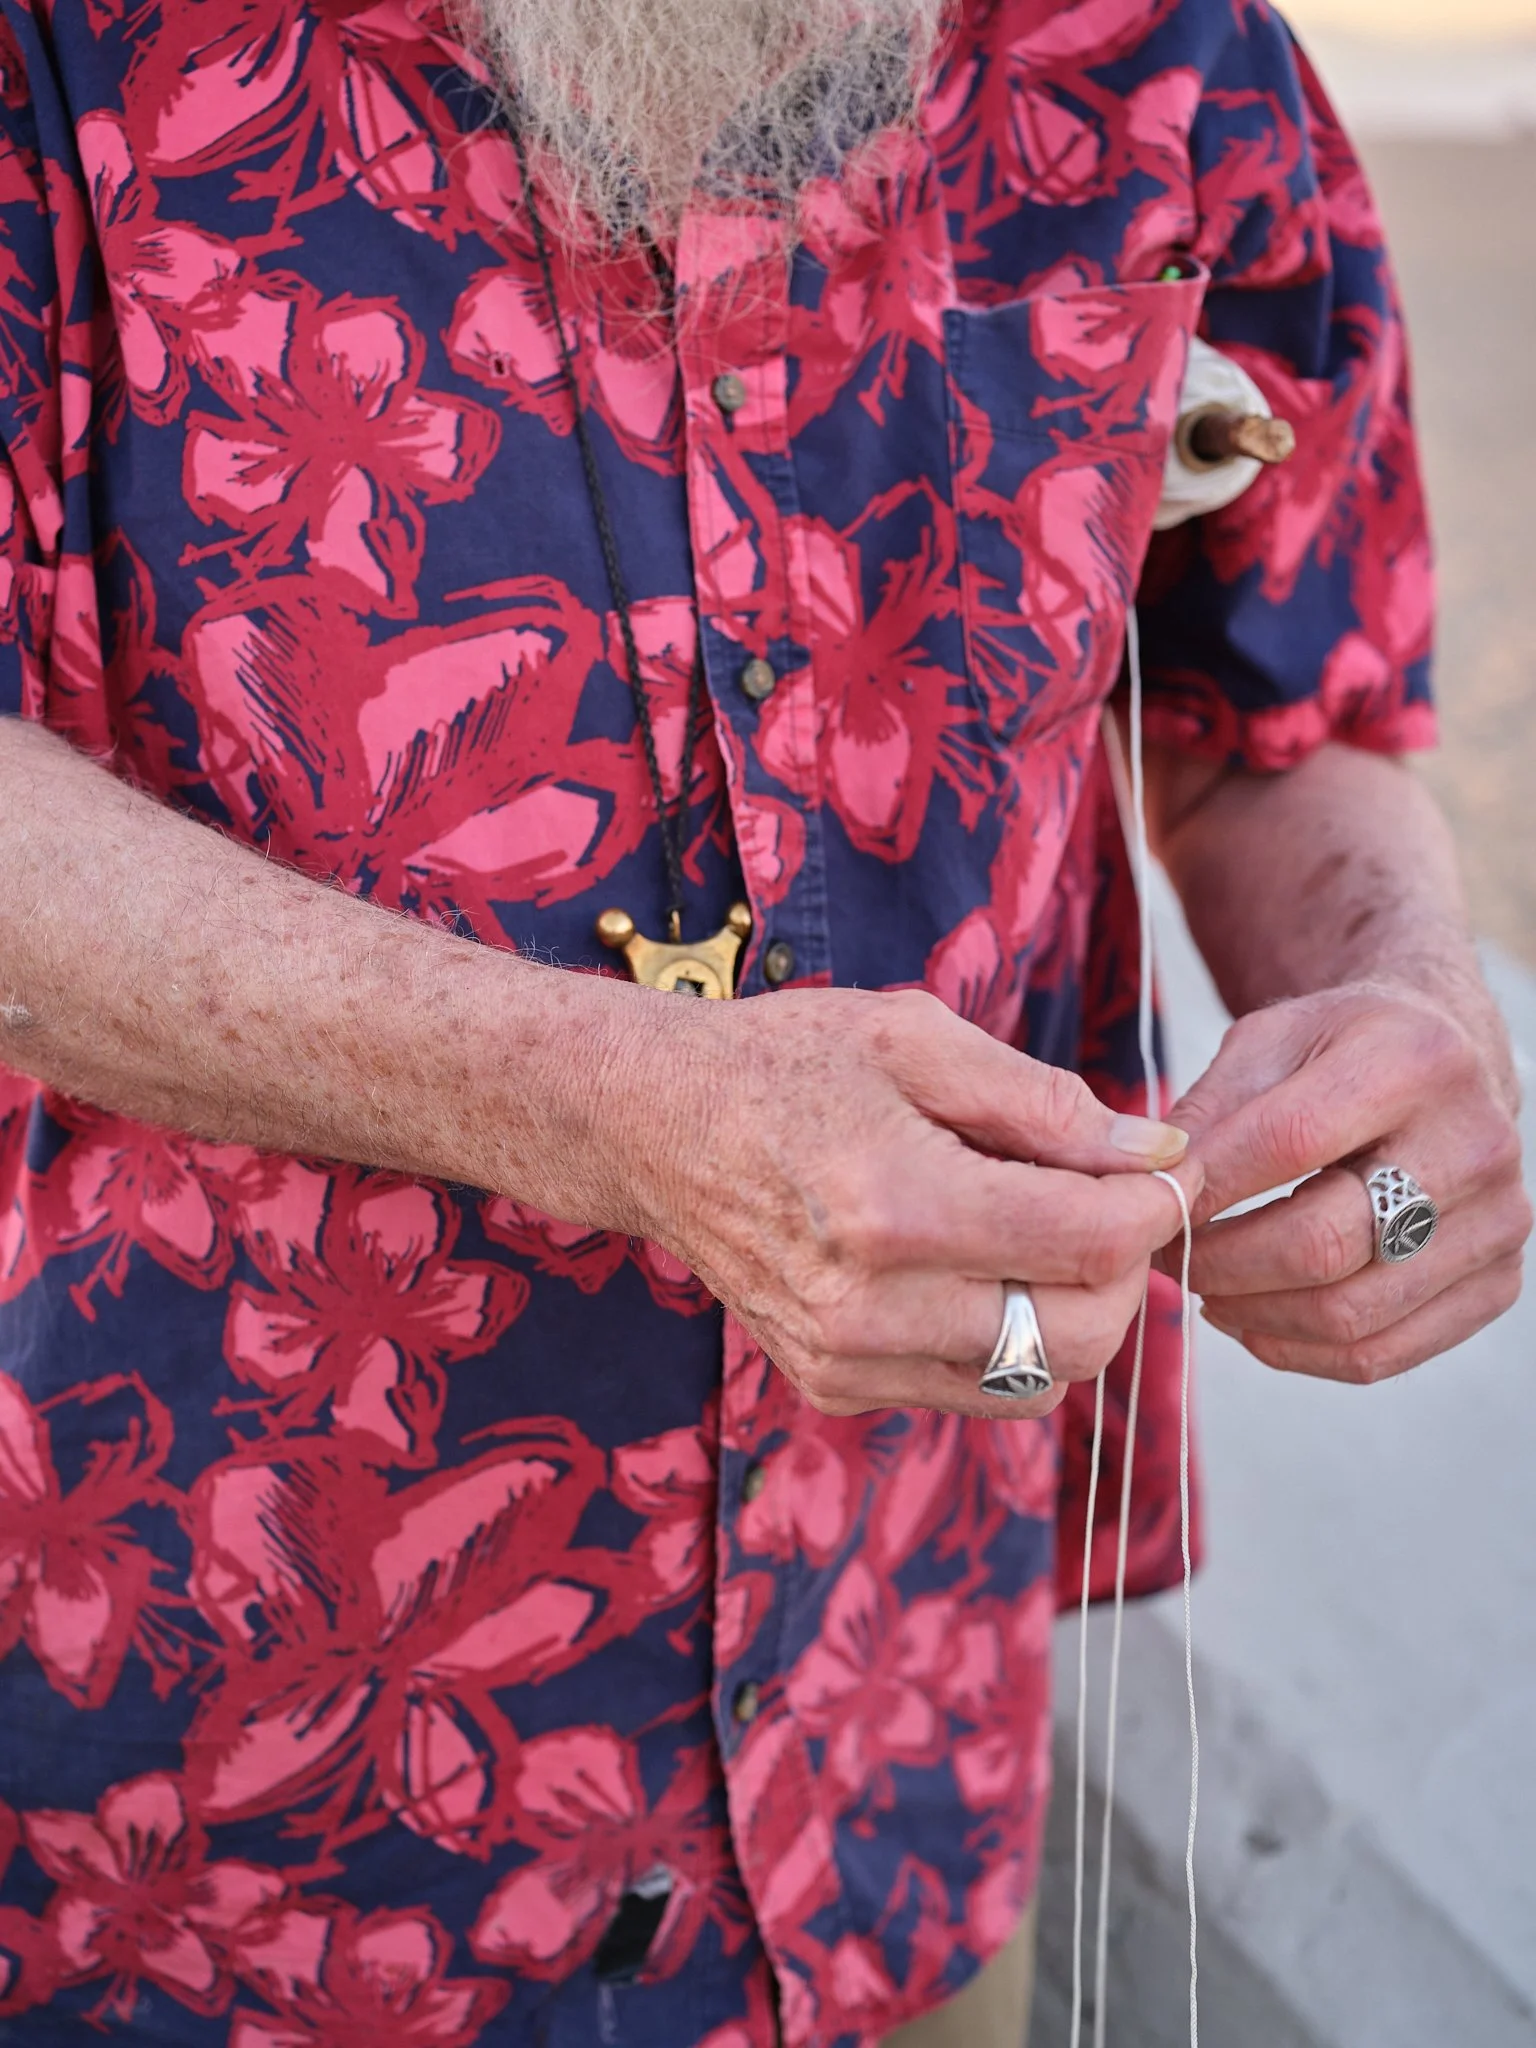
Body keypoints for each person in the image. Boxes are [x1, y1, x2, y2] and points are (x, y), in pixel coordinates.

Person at [0, 2, 1526, 2043]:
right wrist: (610, 1107)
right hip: (208, 1846)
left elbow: (1281, 707)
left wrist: (1398, 994)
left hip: (890, 1762)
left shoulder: (1170, 53)